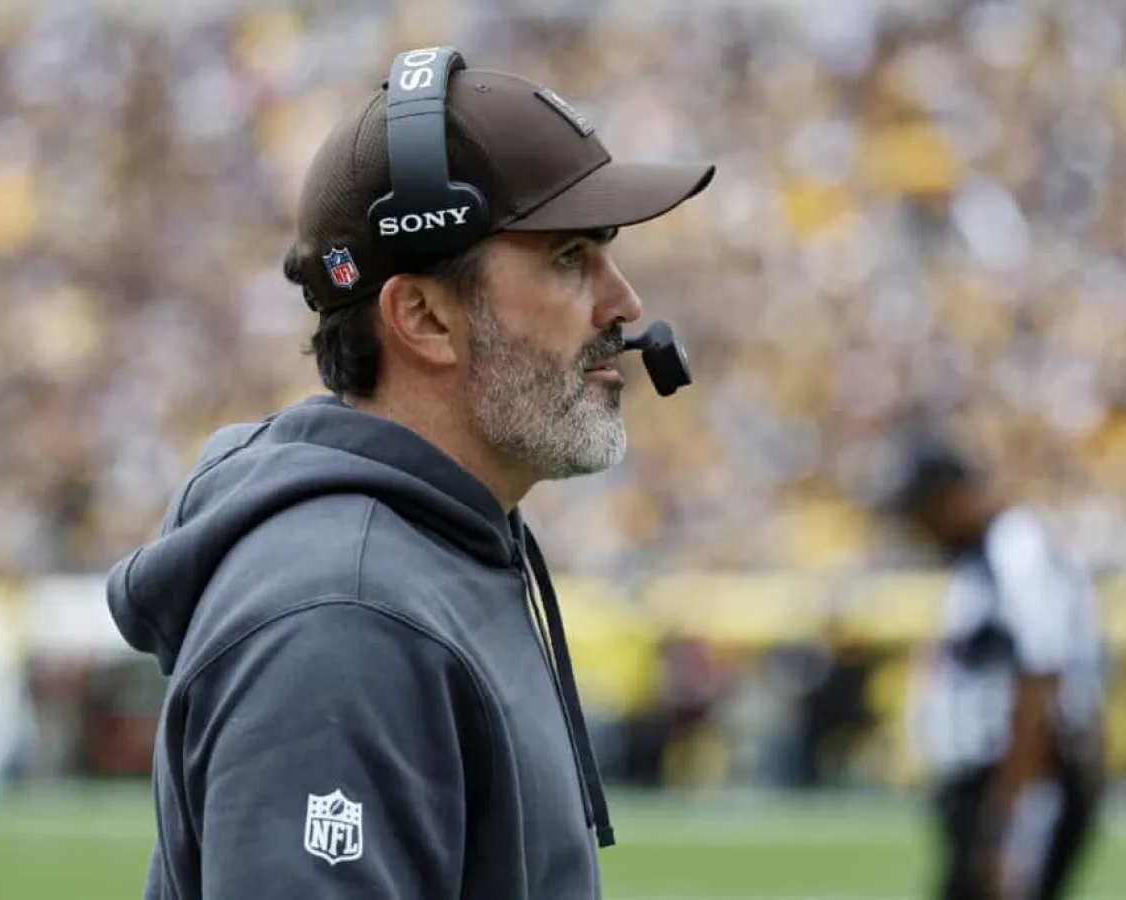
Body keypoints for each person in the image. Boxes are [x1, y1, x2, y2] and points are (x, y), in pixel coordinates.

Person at [105, 46, 714, 900]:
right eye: (570, 256)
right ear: (424, 316)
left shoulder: (436, 554)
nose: (626, 305)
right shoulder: (345, 618)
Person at [890, 444, 1106, 900]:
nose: (919, 529)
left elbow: (1040, 676)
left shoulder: (1015, 548)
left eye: (923, 512)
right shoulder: (980, 558)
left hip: (1022, 783)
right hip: (997, 785)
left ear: (953, 497)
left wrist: (1005, 823)